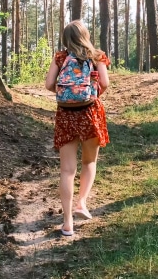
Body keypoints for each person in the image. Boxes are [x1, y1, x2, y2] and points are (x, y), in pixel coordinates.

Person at [45, 20, 110, 236]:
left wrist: (66, 94)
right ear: (86, 35)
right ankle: (81, 203)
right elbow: (105, 83)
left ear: (66, 38)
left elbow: (48, 84)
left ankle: (67, 223)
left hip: (66, 115)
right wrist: (90, 93)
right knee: (89, 161)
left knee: (67, 170)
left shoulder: (60, 57)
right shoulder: (97, 56)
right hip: (90, 112)